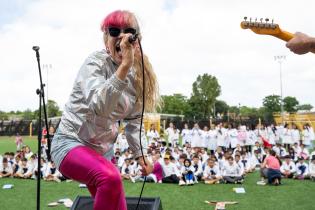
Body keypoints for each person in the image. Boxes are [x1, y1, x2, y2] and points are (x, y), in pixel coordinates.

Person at [50, 10, 160, 210]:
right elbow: (100, 107)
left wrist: (141, 155)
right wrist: (124, 67)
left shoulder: (138, 75)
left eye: (129, 31)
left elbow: (134, 122)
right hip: (70, 143)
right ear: (105, 39)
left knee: (118, 203)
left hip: (101, 152)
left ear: (137, 40)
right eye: (114, 31)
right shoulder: (94, 63)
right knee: (110, 178)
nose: (121, 35)